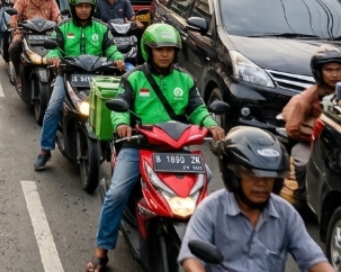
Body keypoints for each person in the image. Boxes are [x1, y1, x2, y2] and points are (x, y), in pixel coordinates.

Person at [86, 23, 222, 272]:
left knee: (206, 185)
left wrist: (211, 125)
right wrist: (122, 126)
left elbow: (197, 109)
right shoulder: (133, 78)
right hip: (139, 146)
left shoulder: (185, 80)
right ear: (148, 50)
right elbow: (121, 108)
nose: (165, 54)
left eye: (169, 49)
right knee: (117, 193)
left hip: (176, 149)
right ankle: (102, 251)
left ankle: (205, 245)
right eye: (159, 49)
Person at [177, 127, 333, 272]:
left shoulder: (285, 214)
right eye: (252, 175)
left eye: (269, 177)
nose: (261, 184)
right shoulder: (210, 209)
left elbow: (313, 259)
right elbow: (190, 258)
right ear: (233, 176)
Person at [36, 0, 124, 171]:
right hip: (67, 75)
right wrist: (54, 56)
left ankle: (120, 152)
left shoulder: (102, 28)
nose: (83, 10)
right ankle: (45, 150)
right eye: (80, 6)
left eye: (87, 6)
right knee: (52, 108)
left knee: (119, 108)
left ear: (92, 8)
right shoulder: (62, 27)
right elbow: (55, 48)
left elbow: (111, 48)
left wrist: (117, 58)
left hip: (98, 78)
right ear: (73, 7)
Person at [279, 45, 341, 203]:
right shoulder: (308, 98)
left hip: (336, 141)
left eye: (338, 69)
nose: (335, 75)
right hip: (310, 142)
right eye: (329, 70)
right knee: (304, 164)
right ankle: (302, 195)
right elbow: (292, 128)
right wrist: (319, 134)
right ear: (319, 72)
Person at [7, 0, 62, 92]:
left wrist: (61, 23)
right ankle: (18, 75)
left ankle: (59, 79)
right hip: (26, 32)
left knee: (63, 49)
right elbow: (15, 13)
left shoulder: (51, 0)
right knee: (14, 47)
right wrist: (13, 23)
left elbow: (57, 16)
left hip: (47, 34)